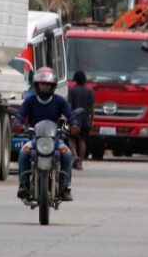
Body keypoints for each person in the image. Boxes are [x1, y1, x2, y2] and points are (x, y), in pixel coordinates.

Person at [15, 67, 78, 202]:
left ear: (53, 86)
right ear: (37, 85)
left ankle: (64, 187)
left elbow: (70, 115)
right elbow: (20, 114)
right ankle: (23, 185)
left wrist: (74, 125)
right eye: (42, 85)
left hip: (55, 139)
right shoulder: (30, 101)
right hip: (35, 139)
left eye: (47, 85)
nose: (44, 88)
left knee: (66, 153)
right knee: (23, 152)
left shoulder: (59, 101)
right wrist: (17, 122)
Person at [68, 70, 94, 169]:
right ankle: (80, 163)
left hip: (73, 119)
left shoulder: (72, 90)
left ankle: (74, 155)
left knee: (70, 138)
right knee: (82, 140)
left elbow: (69, 105)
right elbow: (92, 107)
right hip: (85, 119)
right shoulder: (89, 91)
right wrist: (92, 119)